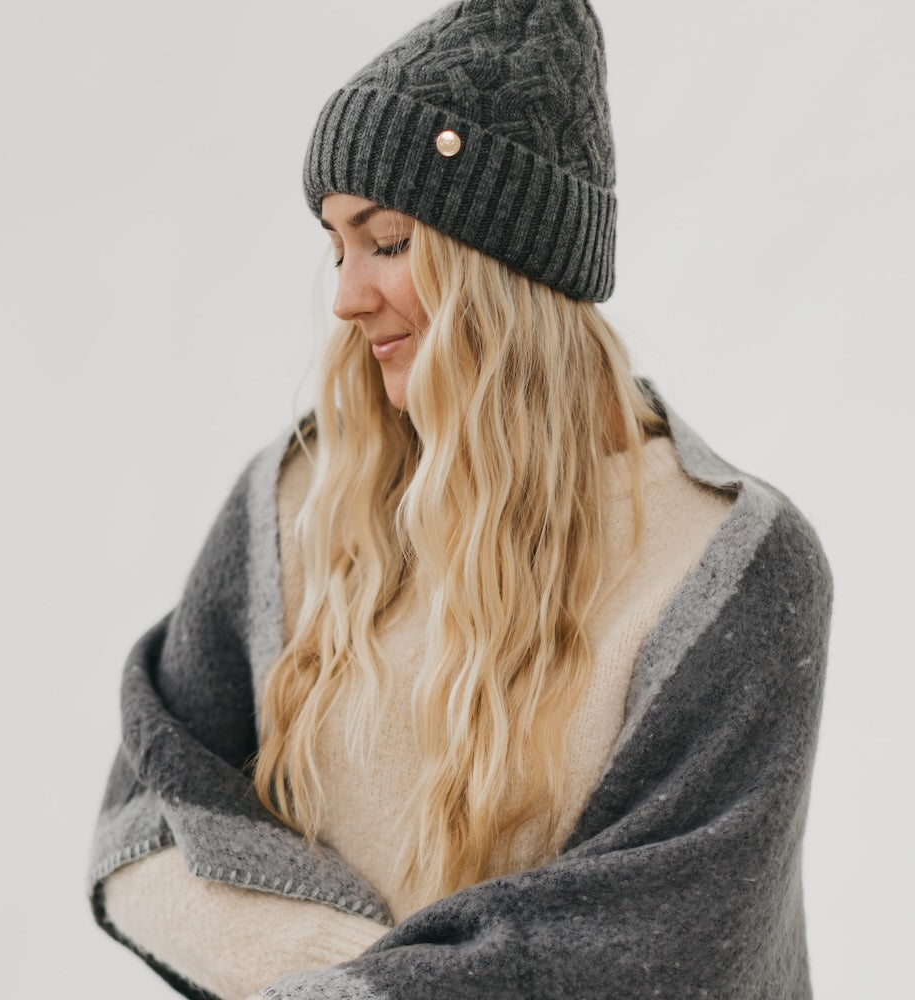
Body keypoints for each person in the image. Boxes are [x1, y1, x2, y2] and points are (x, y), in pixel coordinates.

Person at [89, 2, 832, 998]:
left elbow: (671, 940)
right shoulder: (297, 499)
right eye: (337, 245)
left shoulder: (728, 564)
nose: (347, 296)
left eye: (389, 240)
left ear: (510, 261)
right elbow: (145, 825)